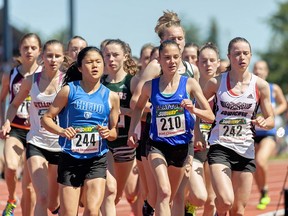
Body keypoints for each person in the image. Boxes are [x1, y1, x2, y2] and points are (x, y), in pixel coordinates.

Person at [127, 40, 215, 216]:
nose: (172, 61)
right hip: (157, 145)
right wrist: (132, 131)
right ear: (158, 60)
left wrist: (193, 109)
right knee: (164, 191)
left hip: (182, 147)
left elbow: (210, 116)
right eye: (167, 58)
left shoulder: (190, 84)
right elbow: (137, 107)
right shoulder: (149, 86)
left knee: (172, 196)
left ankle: (150, 208)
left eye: (176, 57)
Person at [196, 37, 275, 216]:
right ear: (229, 56)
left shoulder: (260, 86)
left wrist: (264, 121)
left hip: (245, 150)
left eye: (245, 53)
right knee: (225, 201)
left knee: (238, 211)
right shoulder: (216, 83)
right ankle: (219, 211)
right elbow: (199, 110)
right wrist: (198, 134)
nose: (241, 57)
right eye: (237, 54)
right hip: (220, 146)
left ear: (251, 56)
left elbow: (271, 119)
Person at [41, 46, 120, 216]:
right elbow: (46, 118)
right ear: (79, 67)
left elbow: (114, 132)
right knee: (69, 213)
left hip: (96, 159)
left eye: (98, 62)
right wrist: (62, 131)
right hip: (70, 158)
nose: (94, 66)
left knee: (92, 210)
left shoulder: (111, 96)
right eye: (89, 62)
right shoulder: (69, 90)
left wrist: (108, 133)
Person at [0, 39, 66, 216]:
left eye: (57, 56)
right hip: (36, 142)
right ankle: (12, 200)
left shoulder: (67, 82)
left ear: (63, 58)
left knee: (53, 204)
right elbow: (13, 105)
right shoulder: (30, 81)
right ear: (42, 57)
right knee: (42, 197)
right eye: (49, 55)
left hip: (60, 145)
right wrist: (6, 121)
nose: (53, 59)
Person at [0, 33, 42, 216]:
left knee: (30, 187)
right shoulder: (11, 75)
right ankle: (11, 198)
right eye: (25, 47)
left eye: (33, 47)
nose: (29, 51)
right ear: (20, 50)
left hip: (37, 132)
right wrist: (4, 122)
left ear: (39, 51)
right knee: (10, 166)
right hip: (16, 129)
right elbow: (2, 99)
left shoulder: (45, 75)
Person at [101, 39, 138, 215]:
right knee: (108, 189)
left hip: (125, 144)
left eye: (115, 55)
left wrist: (120, 110)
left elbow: (143, 111)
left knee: (115, 195)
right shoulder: (99, 82)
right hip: (105, 143)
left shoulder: (132, 81)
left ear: (125, 56)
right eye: (107, 55)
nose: (111, 59)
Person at [185, 42, 220, 216]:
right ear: (197, 64)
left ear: (219, 62)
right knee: (200, 197)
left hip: (216, 148)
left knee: (212, 201)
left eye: (212, 60)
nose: (208, 65)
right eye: (204, 61)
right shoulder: (189, 85)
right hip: (194, 147)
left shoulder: (224, 87)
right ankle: (186, 205)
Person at [253, 60, 287, 210]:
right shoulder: (249, 88)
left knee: (260, 160)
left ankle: (265, 189)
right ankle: (263, 192)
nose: (258, 72)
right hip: (252, 133)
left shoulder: (274, 88)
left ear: (266, 72)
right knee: (253, 165)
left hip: (269, 133)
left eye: (261, 69)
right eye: (256, 69)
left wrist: (272, 114)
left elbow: (284, 104)